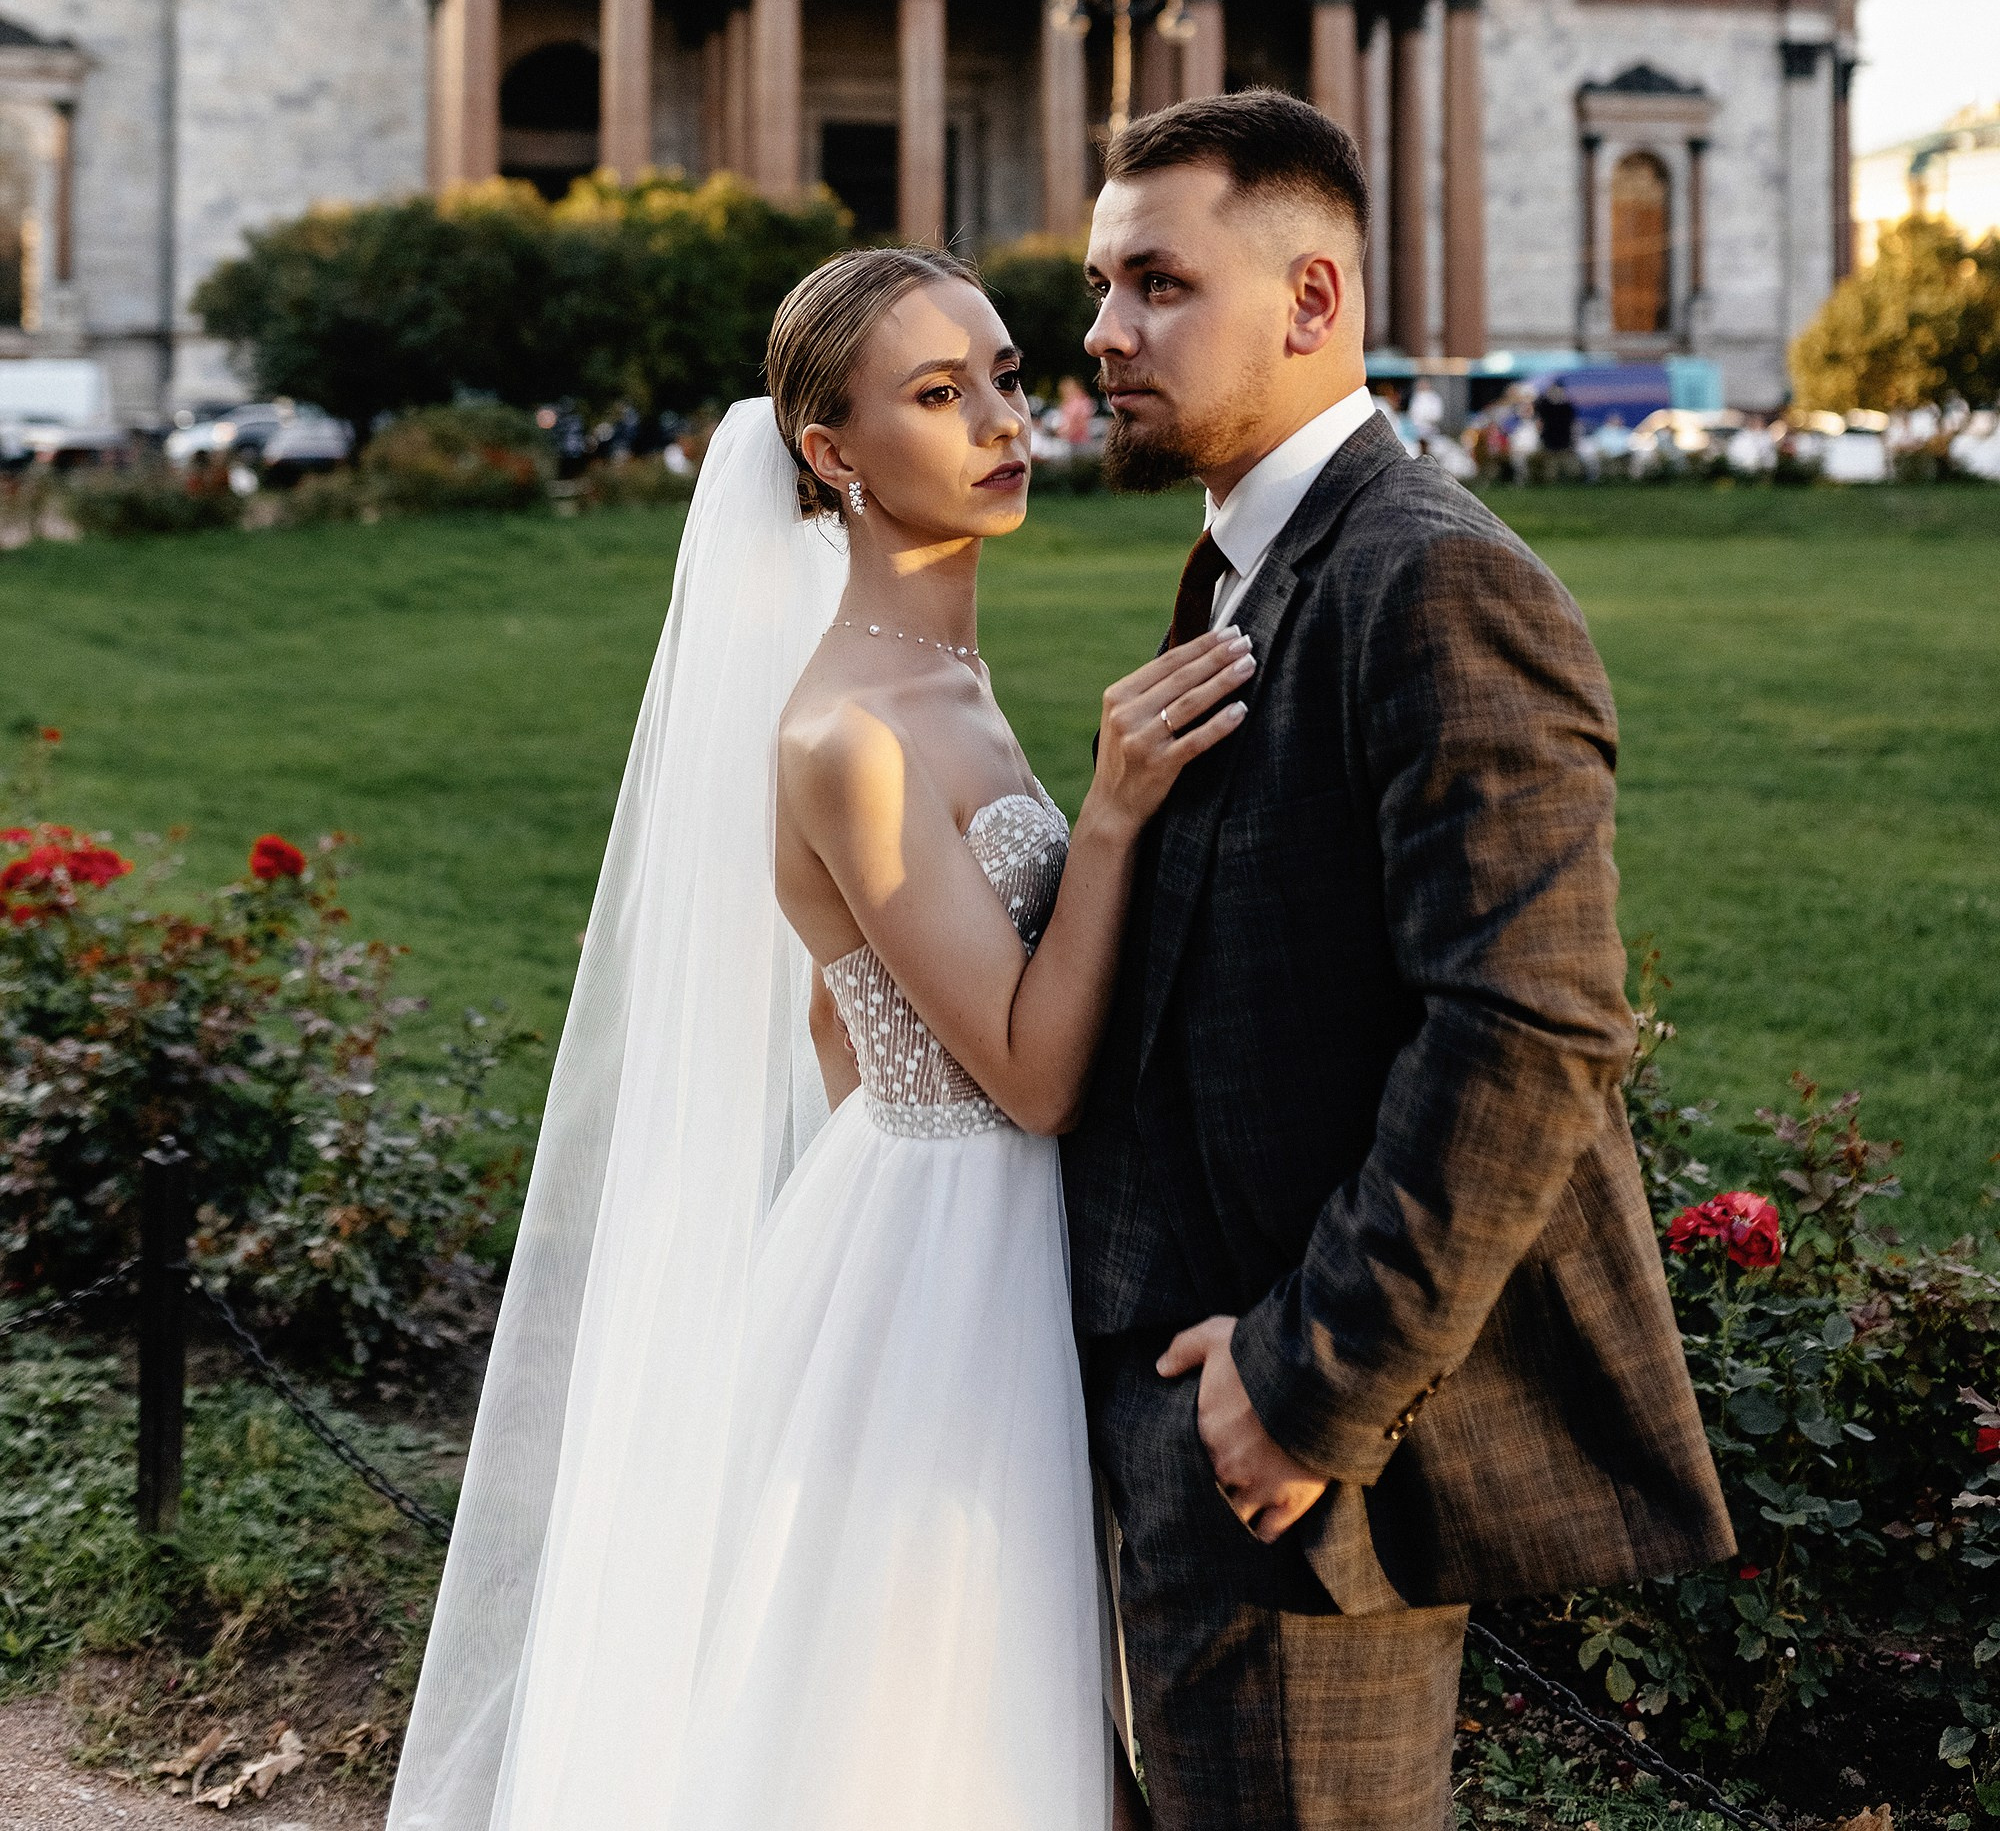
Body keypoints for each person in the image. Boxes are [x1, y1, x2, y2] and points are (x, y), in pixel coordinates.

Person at [388, 246, 1251, 1831]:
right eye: (938, 395)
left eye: (1002, 372)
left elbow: (832, 1014)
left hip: (927, 1229)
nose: (1002, 420)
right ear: (832, 454)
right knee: (923, 1716)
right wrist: (1118, 811)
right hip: (944, 1269)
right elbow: (1036, 1076)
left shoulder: (946, 678)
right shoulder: (849, 727)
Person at [1063, 90, 1731, 1831]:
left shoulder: (1431, 578)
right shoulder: (1245, 558)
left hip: (1287, 1467)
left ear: (1311, 298)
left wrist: (1305, 1388)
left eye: (1154, 285)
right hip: (1188, 1418)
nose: (1101, 334)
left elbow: (1532, 1028)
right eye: (1099, 286)